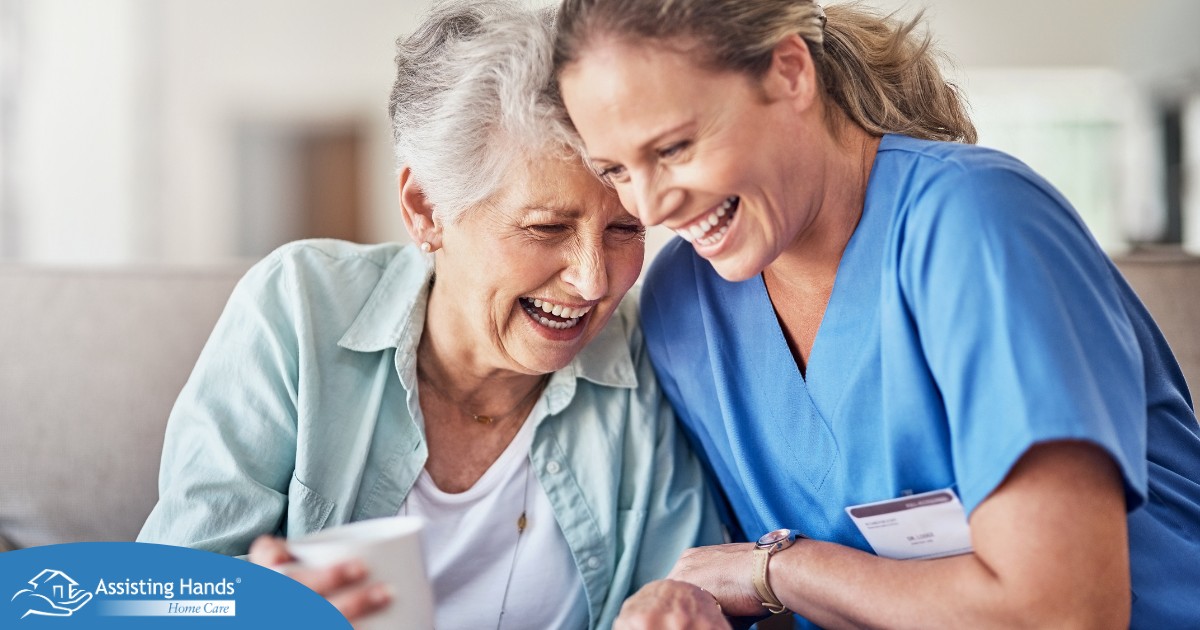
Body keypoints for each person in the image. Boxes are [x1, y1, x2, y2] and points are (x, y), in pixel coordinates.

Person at [552, 1, 1200, 628]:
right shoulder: (685, 305)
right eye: (616, 169)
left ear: (790, 72)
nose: (652, 206)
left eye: (673, 148)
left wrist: (776, 571)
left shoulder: (976, 223)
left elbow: (1064, 614)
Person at [138, 2, 721, 628]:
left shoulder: (642, 350)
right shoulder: (300, 309)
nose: (593, 279)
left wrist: (690, 605)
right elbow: (153, 599)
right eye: (546, 227)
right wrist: (253, 609)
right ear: (425, 210)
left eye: (625, 229)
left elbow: (686, 586)